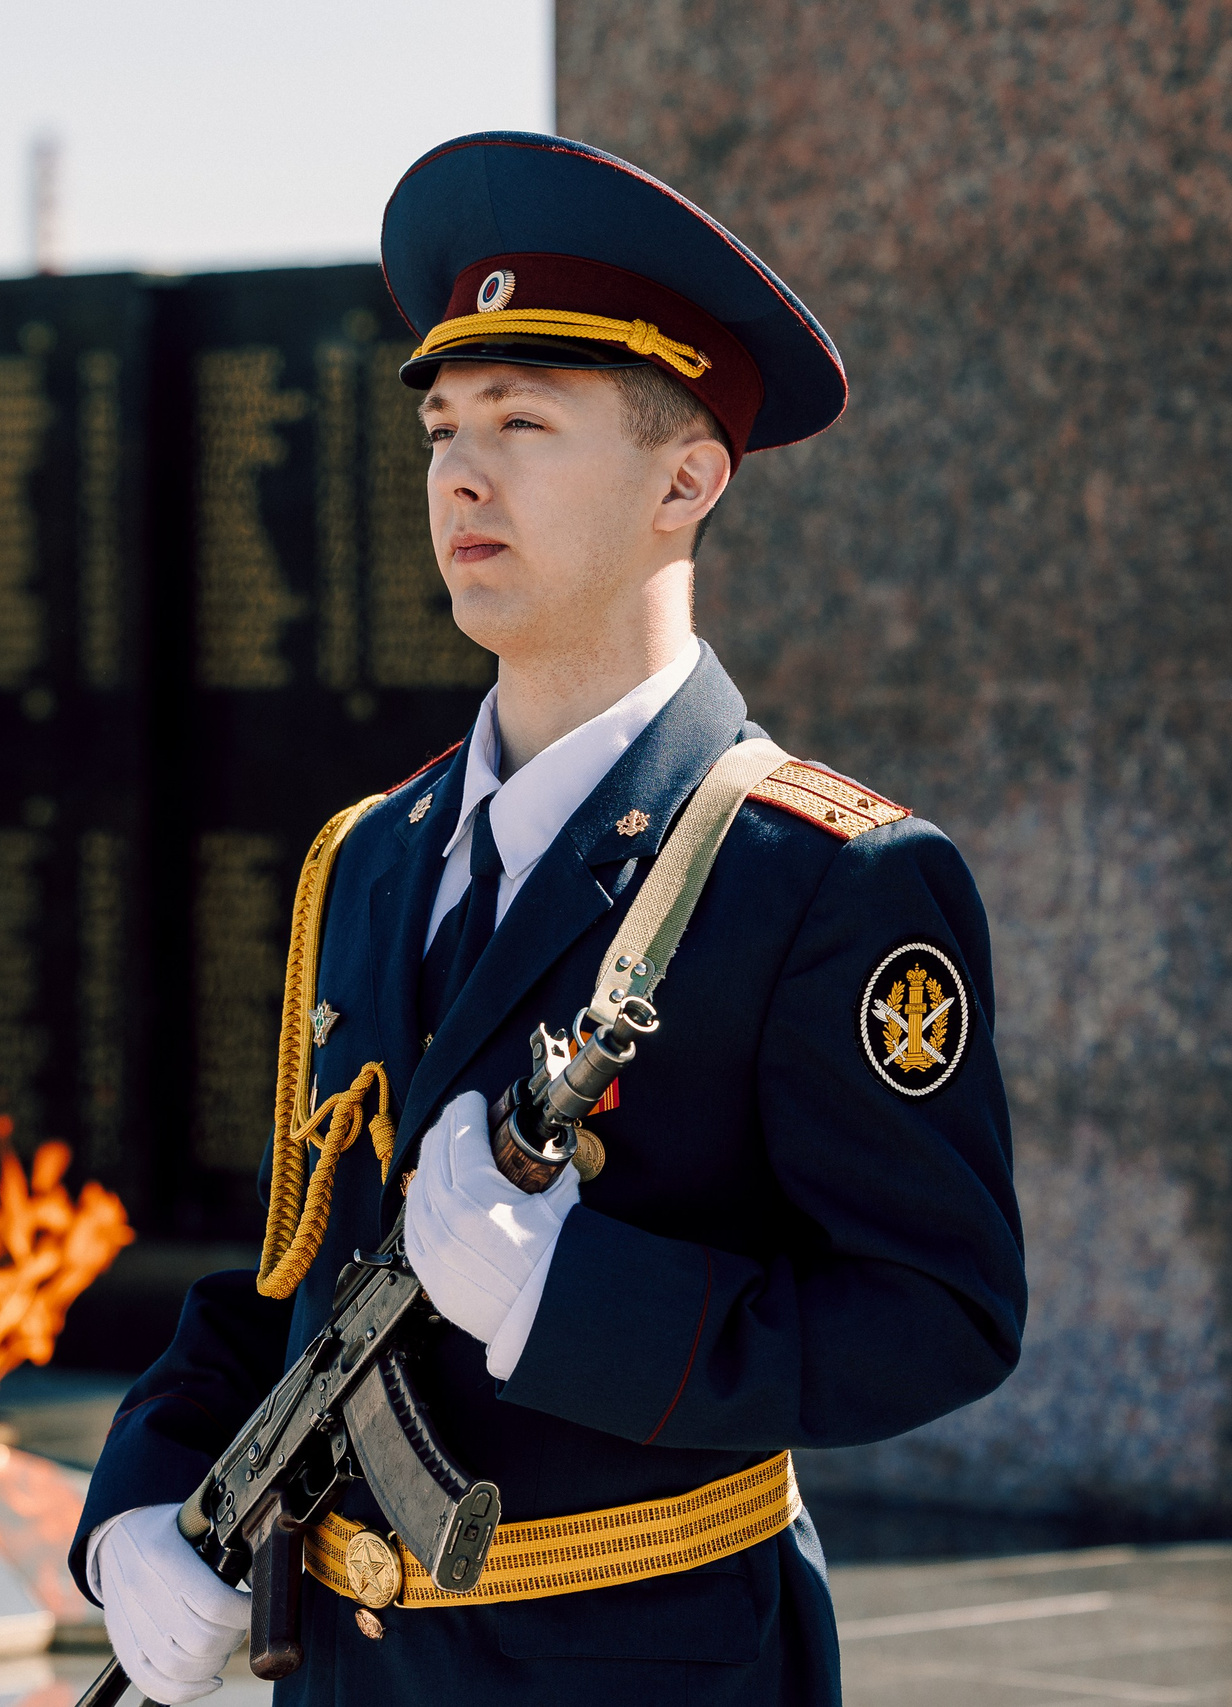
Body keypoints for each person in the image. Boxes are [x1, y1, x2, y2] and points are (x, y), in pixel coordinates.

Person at [69, 131, 1026, 1706]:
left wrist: (571, 1301)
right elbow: (287, 1280)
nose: (461, 469)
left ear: (685, 477)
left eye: (523, 421)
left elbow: (939, 1316)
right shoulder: (370, 859)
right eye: (445, 424)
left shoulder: (826, 876)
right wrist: (135, 1514)